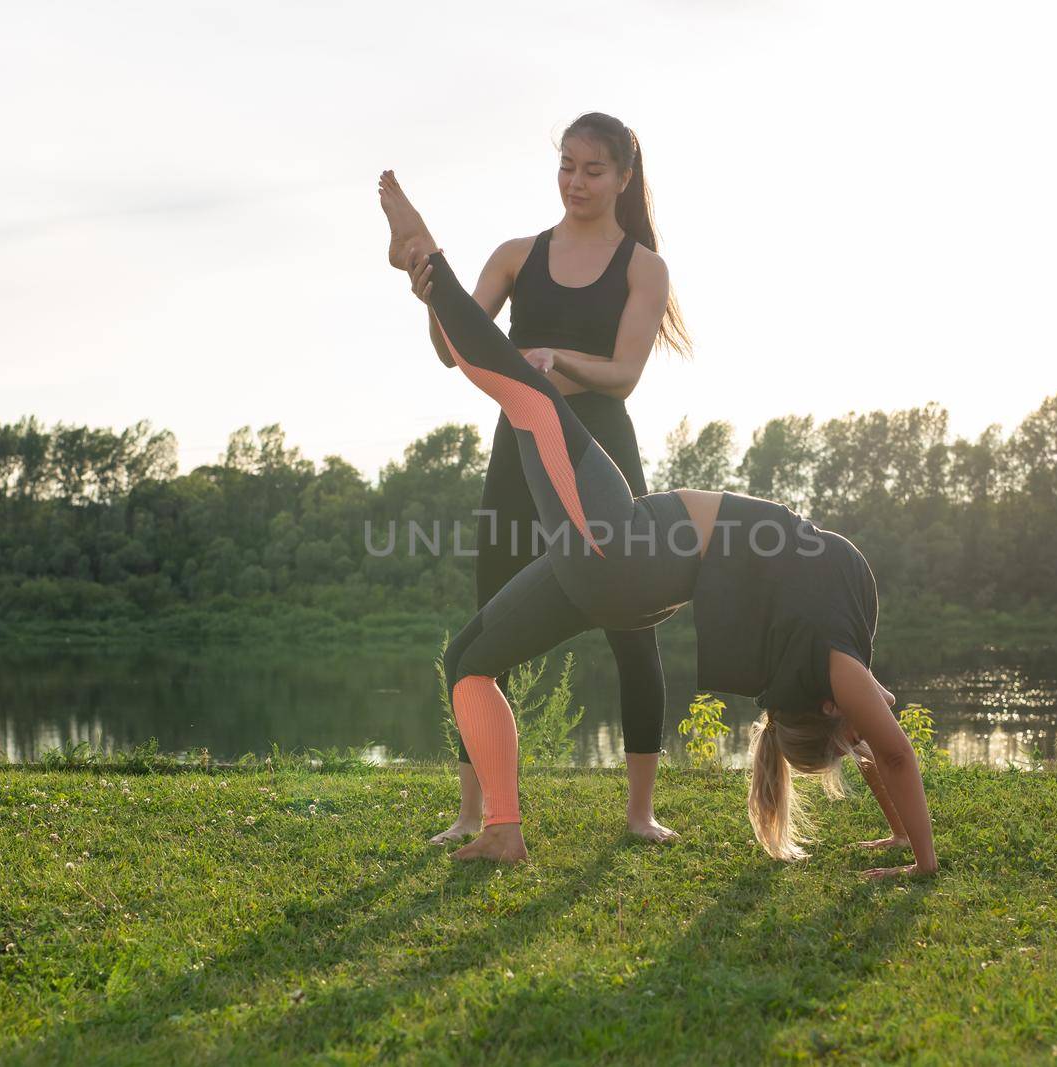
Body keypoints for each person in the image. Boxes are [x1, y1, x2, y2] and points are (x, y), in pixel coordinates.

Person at [380, 169, 938, 879]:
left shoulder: (835, 666)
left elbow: (889, 746)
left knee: (528, 393)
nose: (877, 714)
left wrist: (921, 861)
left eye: (853, 725)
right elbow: (873, 737)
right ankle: (502, 829)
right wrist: (896, 833)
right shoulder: (841, 663)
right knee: (469, 660)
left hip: (625, 550)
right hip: (622, 579)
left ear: (831, 710)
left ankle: (425, 259)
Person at [411, 113, 691, 845]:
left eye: (594, 170)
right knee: (480, 635)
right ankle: (474, 812)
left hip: (600, 452)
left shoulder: (642, 267)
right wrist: (431, 304)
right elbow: (453, 352)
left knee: (632, 628)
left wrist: (556, 360)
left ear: (624, 178)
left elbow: (625, 375)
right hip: (519, 455)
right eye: (567, 165)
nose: (577, 181)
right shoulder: (515, 255)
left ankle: (640, 813)